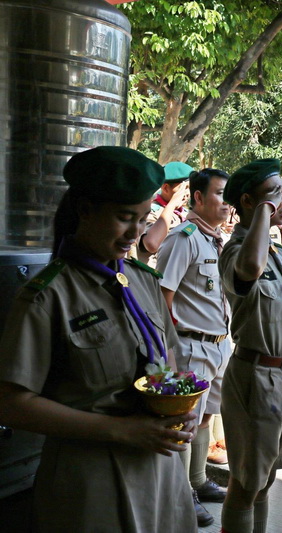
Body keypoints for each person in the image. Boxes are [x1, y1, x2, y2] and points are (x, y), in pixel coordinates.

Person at [0, 146, 196, 532]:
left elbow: (168, 358)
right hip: (91, 483)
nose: (135, 233)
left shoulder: (142, 281)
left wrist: (179, 409)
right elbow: (10, 404)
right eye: (124, 217)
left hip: (160, 472)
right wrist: (121, 430)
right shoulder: (48, 296)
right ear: (85, 210)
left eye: (143, 218)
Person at [218, 158, 282, 533]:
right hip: (256, 377)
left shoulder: (279, 252)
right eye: (273, 194)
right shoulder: (236, 251)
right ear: (248, 202)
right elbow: (249, 270)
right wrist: (266, 211)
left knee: (266, 479)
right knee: (246, 483)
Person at [156, 167, 233, 525]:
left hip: (218, 343)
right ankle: (182, 494)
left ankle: (198, 480)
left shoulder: (217, 240)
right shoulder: (183, 238)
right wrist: (169, 354)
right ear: (198, 198)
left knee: (205, 416)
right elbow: (163, 297)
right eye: (220, 194)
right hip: (190, 346)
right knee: (185, 422)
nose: (227, 203)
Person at [138, 161, 192, 266]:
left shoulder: (186, 214)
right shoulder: (151, 212)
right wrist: (172, 204)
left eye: (190, 189)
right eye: (184, 188)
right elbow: (152, 244)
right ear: (166, 188)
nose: (187, 194)